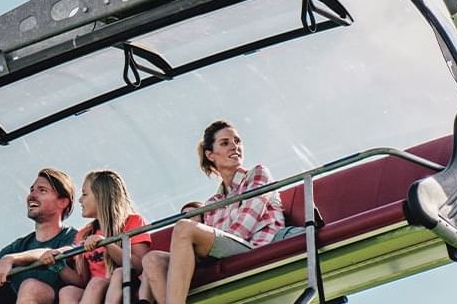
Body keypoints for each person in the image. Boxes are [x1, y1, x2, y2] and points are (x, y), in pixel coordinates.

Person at [141, 120, 284, 304]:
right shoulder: (213, 203)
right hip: (222, 251)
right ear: (210, 155)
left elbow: (242, 228)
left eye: (237, 141)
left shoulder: (257, 174)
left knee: (184, 228)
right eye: (225, 143)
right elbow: (214, 241)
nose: (235, 146)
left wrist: (201, 244)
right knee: (152, 260)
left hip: (252, 246)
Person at [0, 168, 78, 304]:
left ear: (63, 202)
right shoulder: (18, 246)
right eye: (32, 190)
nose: (32, 195)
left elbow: (55, 253)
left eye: (42, 190)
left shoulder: (73, 237)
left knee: (31, 287)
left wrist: (11, 260)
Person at [54, 170, 152, 304]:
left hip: (125, 286)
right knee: (67, 291)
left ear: (101, 196)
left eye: (85, 194)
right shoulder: (84, 233)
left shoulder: (133, 221)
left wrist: (106, 244)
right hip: (96, 293)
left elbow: (140, 265)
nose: (80, 200)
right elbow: (83, 280)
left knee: (97, 283)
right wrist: (58, 265)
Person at [135, 201, 204, 304]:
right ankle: (144, 300)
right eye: (183, 216)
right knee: (150, 260)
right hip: (180, 262)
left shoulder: (206, 233)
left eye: (192, 214)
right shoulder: (179, 238)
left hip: (199, 259)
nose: (187, 219)